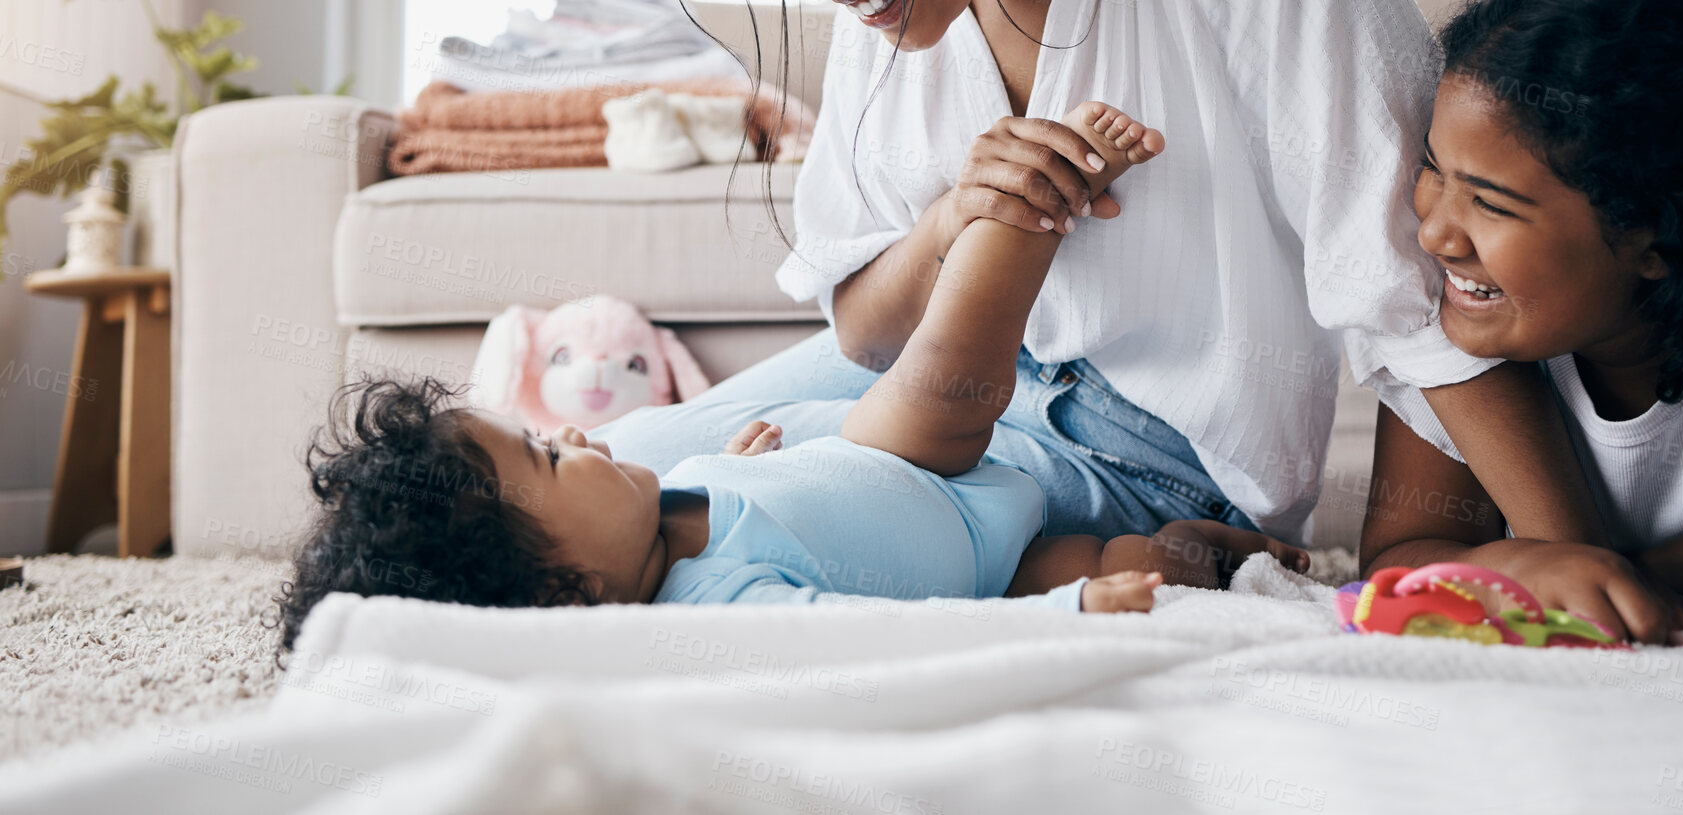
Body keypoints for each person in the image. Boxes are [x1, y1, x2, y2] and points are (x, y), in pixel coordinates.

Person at [600, 0, 1603, 553]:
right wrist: (955, 220)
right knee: (626, 469)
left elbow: (1415, 286)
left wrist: (1564, 554)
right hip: (952, 381)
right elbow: (863, 332)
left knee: (709, 522)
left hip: (1152, 454)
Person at [276, 102, 1309, 650]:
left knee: (955, 370)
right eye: (547, 458)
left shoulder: (654, 515)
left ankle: (1006, 207)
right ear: (571, 591)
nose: (577, 434)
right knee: (1134, 564)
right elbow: (881, 646)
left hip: (876, 462)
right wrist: (1059, 620)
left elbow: (754, 509)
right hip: (938, 490)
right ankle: (1022, 206)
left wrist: (739, 464)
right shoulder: (720, 614)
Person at [1355, 0, 1683, 644]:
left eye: (1490, 203)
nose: (1435, 234)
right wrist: (1512, 570)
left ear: (1652, 232)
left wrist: (1664, 565)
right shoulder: (1449, 347)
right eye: (1436, 170)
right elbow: (1398, 556)